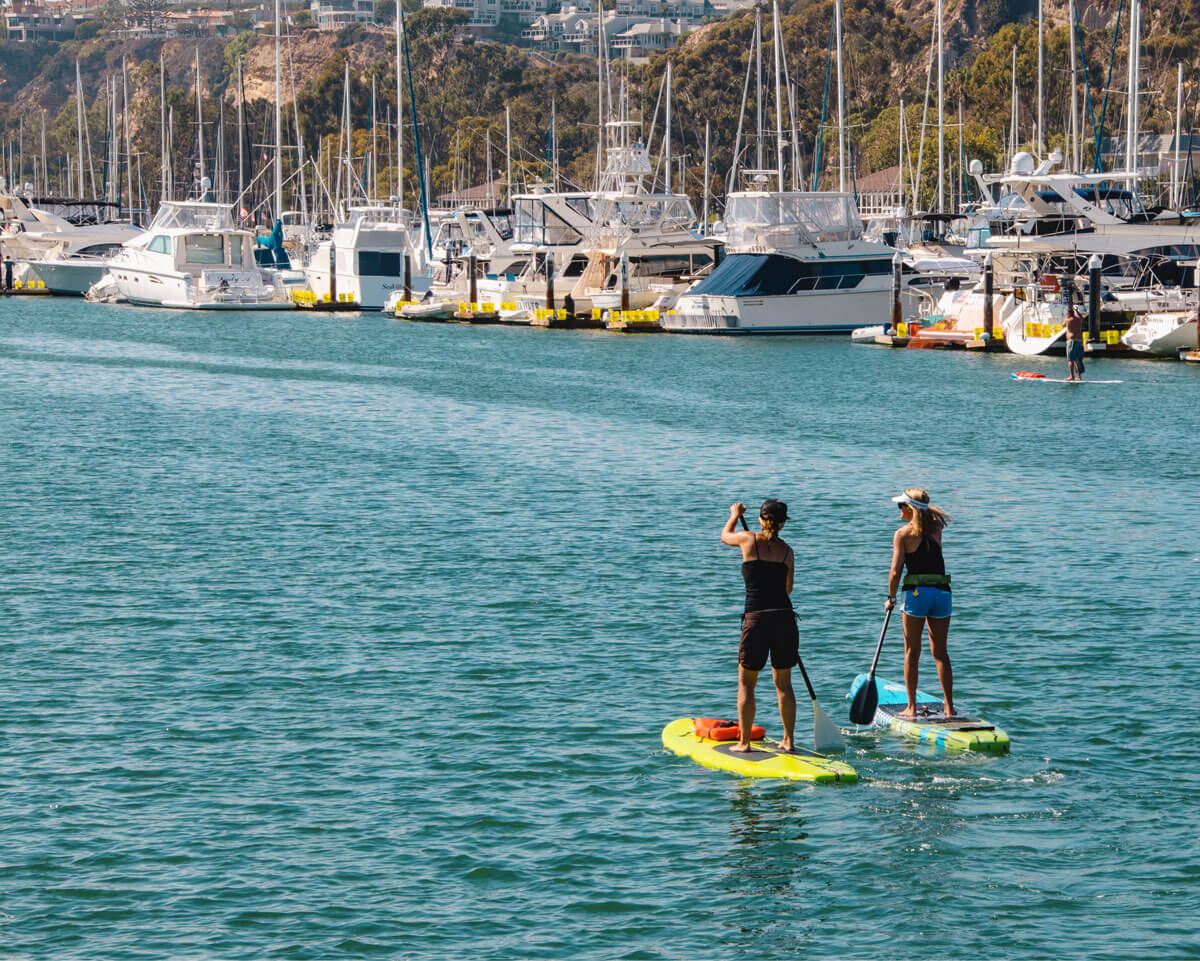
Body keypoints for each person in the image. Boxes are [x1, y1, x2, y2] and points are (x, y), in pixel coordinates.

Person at [721, 499, 798, 753]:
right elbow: (788, 589)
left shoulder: (748, 540)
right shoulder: (787, 552)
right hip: (784, 618)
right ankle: (788, 741)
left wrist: (734, 514)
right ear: (783, 524)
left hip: (756, 620)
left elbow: (725, 536)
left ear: (760, 519)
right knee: (784, 684)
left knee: (746, 684)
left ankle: (744, 743)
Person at [885, 489, 955, 718]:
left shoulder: (902, 534)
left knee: (912, 652)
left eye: (901, 506)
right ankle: (949, 707)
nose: (899, 510)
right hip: (943, 593)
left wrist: (891, 597)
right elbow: (929, 514)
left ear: (909, 508)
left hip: (917, 595)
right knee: (941, 653)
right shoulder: (937, 528)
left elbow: (895, 571)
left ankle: (911, 707)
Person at [1064, 298, 1086, 381]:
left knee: (1070, 359)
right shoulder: (1079, 319)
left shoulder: (1068, 320)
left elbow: (1063, 325)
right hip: (1080, 341)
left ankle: (1072, 376)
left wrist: (1067, 318)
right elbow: (1081, 317)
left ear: (1069, 314)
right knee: (1077, 359)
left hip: (1071, 341)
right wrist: (1077, 311)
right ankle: (1079, 377)